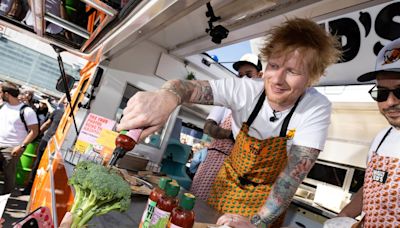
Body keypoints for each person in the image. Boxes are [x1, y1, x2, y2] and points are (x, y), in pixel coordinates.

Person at [117, 18, 341, 227]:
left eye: (292, 71)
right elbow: (185, 88)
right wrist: (167, 97)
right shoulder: (245, 89)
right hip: (226, 185)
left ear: (312, 77)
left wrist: (256, 223)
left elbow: (290, 179)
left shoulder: (316, 108)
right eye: (273, 66)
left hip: (267, 200)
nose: (278, 79)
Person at [336, 37, 400, 227]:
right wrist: (344, 215)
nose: (389, 102)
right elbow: (372, 186)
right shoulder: (381, 138)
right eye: (381, 93)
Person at [190, 53, 263, 201]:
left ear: (260, 76)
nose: (243, 80)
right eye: (240, 75)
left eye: (248, 75)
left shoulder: (262, 108)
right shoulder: (228, 99)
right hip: (213, 160)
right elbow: (208, 127)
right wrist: (233, 135)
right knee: (197, 200)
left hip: (237, 168)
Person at [0, 82, 39, 194]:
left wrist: (21, 146)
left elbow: (34, 131)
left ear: (7, 94)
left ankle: (3, 201)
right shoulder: (3, 106)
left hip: (12, 148)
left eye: (1, 92)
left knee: (9, 176)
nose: (0, 94)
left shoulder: (27, 111)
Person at [23, 99, 65, 194]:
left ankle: (29, 188)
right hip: (58, 145)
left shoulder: (58, 112)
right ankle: (39, 189)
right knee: (49, 167)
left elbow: (46, 125)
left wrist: (36, 134)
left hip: (46, 140)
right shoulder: (69, 116)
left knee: (37, 163)